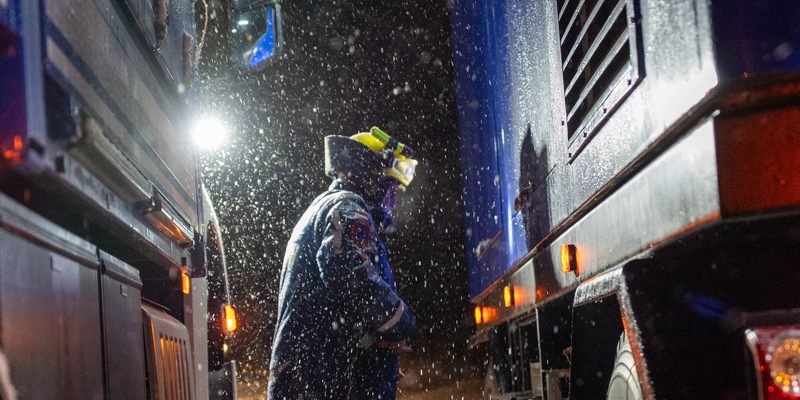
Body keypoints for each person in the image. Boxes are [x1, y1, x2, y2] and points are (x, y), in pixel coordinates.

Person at [267, 127, 418, 400]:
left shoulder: (327, 206)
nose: (393, 198)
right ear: (369, 178)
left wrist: (377, 352)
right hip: (321, 382)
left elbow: (340, 304)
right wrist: (401, 324)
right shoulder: (347, 207)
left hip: (313, 378)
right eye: (390, 185)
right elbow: (350, 276)